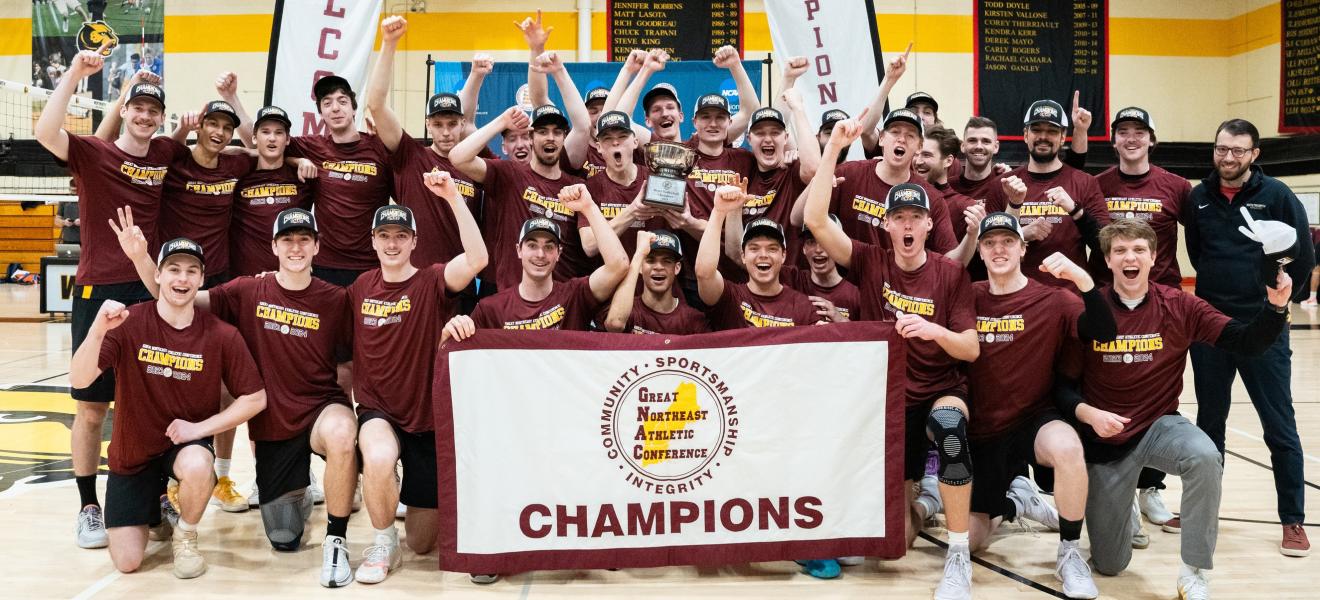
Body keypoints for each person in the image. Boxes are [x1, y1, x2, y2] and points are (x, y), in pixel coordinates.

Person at [111, 206, 359, 586]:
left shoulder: (335, 298)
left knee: (342, 433)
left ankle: (336, 537)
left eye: (304, 240)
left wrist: (347, 435)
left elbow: (346, 367)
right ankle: (301, 491)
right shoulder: (247, 291)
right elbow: (178, 296)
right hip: (275, 426)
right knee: (284, 538)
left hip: (320, 411)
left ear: (316, 247)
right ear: (274, 246)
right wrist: (140, 257)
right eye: (287, 240)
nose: (296, 248)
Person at [1064, 218, 1291, 599]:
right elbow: (1063, 386)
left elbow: (1245, 341)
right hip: (1105, 438)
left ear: (1154, 257)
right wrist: (1089, 414)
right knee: (1110, 564)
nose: (1129, 257)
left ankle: (1195, 571)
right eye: (1120, 250)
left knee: (1205, 456)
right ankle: (1125, 511)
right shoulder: (1087, 309)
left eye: (1139, 249)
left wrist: (1275, 307)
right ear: (1106, 260)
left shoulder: (1180, 305)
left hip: (1159, 425)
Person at [806, 115, 980, 598]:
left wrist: (931, 328)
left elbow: (970, 347)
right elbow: (816, 220)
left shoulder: (949, 274)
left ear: (928, 223)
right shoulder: (871, 260)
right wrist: (832, 153)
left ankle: (959, 553)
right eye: (898, 218)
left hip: (942, 390)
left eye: (914, 219)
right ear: (887, 224)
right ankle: (926, 504)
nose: (906, 226)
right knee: (895, 543)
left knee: (949, 431)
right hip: (891, 399)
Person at [34, 48, 181, 549]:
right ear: (126, 110)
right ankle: (88, 506)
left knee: (151, 404)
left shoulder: (164, 155)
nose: (144, 116)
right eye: (136, 107)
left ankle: (159, 492)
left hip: (149, 288)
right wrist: (77, 73)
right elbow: (45, 133)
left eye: (152, 111)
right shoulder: (96, 154)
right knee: (92, 407)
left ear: (161, 119)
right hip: (98, 291)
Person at [68, 237, 266, 578]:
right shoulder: (128, 323)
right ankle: (157, 509)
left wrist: (199, 430)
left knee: (199, 463)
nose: (182, 279)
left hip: (182, 448)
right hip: (133, 457)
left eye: (192, 271)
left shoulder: (221, 334)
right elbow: (81, 378)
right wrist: (97, 331)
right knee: (128, 562)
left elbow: (255, 398)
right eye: (174, 269)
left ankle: (186, 535)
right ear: (157, 275)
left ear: (202, 280)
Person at [967, 212, 1119, 599]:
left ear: (1022, 247)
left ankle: (1069, 553)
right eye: (990, 243)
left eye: (1007, 242)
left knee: (1068, 448)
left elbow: (1104, 331)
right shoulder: (968, 297)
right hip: (983, 431)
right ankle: (1017, 503)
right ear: (981, 252)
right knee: (972, 541)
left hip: (1035, 419)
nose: (999, 249)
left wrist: (1083, 281)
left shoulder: (1051, 299)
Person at [1184, 118, 1316, 557]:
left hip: (1263, 329)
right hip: (1210, 329)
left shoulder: (1277, 195)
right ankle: (1204, 512)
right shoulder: (1198, 198)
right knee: (1210, 424)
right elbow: (1200, 254)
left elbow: (1303, 257)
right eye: (1222, 148)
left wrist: (1278, 309)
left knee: (1280, 427)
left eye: (1239, 150)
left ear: (1254, 154)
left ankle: (1293, 520)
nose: (1229, 157)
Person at [348, 176, 487, 585]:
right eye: (385, 235)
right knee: (376, 457)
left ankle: (400, 496)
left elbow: (477, 258)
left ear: (414, 241)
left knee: (423, 543)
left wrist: (452, 197)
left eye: (402, 236)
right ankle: (381, 541)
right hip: (379, 411)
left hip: (426, 418)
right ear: (373, 240)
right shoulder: (359, 287)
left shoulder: (431, 280)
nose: (393, 244)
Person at [1089, 107, 1193, 527]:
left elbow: (1199, 239)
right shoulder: (1097, 185)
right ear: (1113, 140)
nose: (1131, 138)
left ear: (1152, 138)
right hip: (1109, 304)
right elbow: (1086, 238)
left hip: (1161, 309)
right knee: (1109, 391)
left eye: (1139, 132)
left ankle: (1151, 488)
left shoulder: (1176, 186)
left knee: (1160, 396)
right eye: (1123, 132)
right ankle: (1121, 487)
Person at [367, 16, 488, 270]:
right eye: (438, 124)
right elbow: (376, 104)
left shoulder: (476, 165)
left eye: (452, 124)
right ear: (427, 124)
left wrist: (477, 76)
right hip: (414, 280)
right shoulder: (410, 155)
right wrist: (389, 43)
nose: (445, 132)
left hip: (460, 282)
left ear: (462, 125)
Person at [447, 184, 629, 334]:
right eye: (532, 245)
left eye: (549, 247)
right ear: (519, 251)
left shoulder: (574, 296)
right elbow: (460, 356)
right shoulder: (491, 309)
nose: (540, 254)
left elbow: (618, 264)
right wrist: (454, 328)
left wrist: (588, 207)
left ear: (559, 253)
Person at [450, 103, 587, 291]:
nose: (550, 138)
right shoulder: (509, 174)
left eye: (557, 132)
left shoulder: (577, 188)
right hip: (512, 303)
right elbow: (458, 157)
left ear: (564, 138)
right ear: (530, 137)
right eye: (542, 131)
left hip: (561, 302)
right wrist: (502, 121)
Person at [984, 99, 1110, 288]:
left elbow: (1106, 247)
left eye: (1052, 131)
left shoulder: (1085, 182)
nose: (1043, 136)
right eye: (1036, 130)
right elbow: (986, 249)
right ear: (1026, 135)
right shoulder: (1002, 185)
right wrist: (1022, 234)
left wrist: (1076, 211)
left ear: (1062, 137)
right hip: (1016, 298)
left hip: (1071, 300)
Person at [283, 73, 394, 286]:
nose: (335, 108)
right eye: (327, 103)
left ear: (354, 109)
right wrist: (298, 161)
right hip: (325, 265)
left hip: (371, 264)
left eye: (342, 101)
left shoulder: (379, 147)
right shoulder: (313, 146)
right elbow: (264, 147)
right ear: (321, 113)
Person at [830, 108, 957, 254]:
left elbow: (949, 260)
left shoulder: (931, 198)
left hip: (900, 276)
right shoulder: (847, 174)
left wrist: (971, 237)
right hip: (848, 273)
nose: (901, 139)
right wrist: (817, 183)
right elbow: (800, 218)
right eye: (895, 132)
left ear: (919, 146)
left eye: (910, 135)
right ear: (882, 138)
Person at [697, 187, 818, 330]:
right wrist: (718, 212)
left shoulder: (804, 308)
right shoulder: (730, 298)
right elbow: (704, 274)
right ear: (743, 256)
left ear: (783, 255)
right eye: (754, 248)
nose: (763, 255)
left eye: (772, 249)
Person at [229, 105, 318, 277]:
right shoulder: (239, 176)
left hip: (290, 280)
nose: (272, 138)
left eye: (278, 133)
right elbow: (215, 152)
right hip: (245, 279)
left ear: (287, 139)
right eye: (265, 132)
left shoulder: (303, 177)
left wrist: (300, 161)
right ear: (254, 138)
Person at [602, 230, 709, 334]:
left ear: (677, 268)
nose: (658, 267)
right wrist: (640, 254)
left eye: (666, 261)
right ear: (640, 267)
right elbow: (614, 325)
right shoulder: (626, 310)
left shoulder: (693, 320)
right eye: (650, 260)